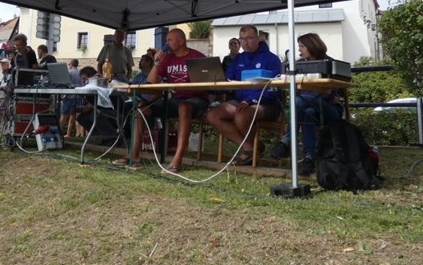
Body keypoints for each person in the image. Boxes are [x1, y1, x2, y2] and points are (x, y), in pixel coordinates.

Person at [115, 28, 208, 173]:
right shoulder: (168, 59)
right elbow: (151, 83)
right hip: (175, 100)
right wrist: (157, 62)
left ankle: (177, 160)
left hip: (196, 100)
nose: (166, 43)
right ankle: (134, 154)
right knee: (141, 109)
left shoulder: (197, 57)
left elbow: (208, 82)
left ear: (181, 41)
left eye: (170, 40)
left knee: (184, 106)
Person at [206, 24, 283, 166]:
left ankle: (249, 151)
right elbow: (227, 80)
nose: (245, 42)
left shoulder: (272, 59)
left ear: (258, 38)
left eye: (249, 38)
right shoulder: (238, 59)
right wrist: (210, 86)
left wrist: (249, 101)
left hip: (267, 104)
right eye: (242, 39)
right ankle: (250, 147)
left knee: (241, 116)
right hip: (242, 102)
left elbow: (273, 89)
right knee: (212, 115)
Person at [269, 32, 342, 175]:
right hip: (308, 110)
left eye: (302, 46)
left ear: (311, 46)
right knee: (308, 112)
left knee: (300, 101)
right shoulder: (298, 65)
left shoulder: (330, 63)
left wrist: (308, 95)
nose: (299, 49)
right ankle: (309, 159)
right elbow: (295, 90)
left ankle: (287, 140)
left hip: (330, 110)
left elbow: (330, 94)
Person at [59, 58, 83, 137]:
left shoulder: (69, 72)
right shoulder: (80, 73)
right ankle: (70, 134)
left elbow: (63, 83)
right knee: (74, 117)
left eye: (69, 64)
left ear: (71, 64)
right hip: (78, 96)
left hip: (69, 96)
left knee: (63, 116)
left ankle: (58, 132)